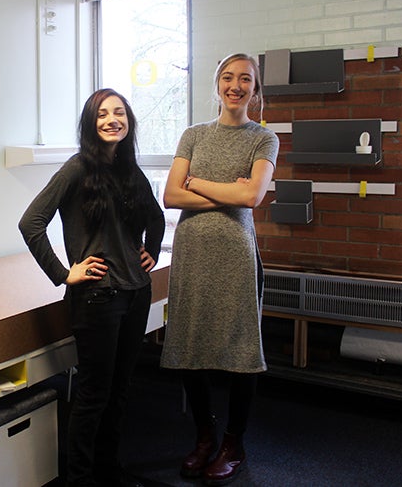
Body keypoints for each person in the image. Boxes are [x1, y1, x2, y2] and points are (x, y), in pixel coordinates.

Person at [19, 88, 165, 487]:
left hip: (136, 293)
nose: (112, 120)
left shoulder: (131, 170)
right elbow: (31, 223)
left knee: (119, 391)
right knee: (92, 394)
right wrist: (64, 273)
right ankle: (80, 478)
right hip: (98, 298)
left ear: (129, 121)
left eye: (119, 113)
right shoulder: (77, 168)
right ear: (90, 122)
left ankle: (108, 468)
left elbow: (156, 217)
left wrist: (150, 251)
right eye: (102, 114)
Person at [160, 53, 279, 485]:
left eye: (245, 79)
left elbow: (252, 197)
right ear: (217, 85)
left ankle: (234, 443)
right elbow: (171, 196)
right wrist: (229, 189)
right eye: (228, 78)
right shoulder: (193, 135)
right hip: (192, 253)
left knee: (239, 351)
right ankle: (204, 436)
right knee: (192, 346)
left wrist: (199, 184)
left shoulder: (264, 139)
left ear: (255, 89)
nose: (236, 85)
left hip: (234, 256)